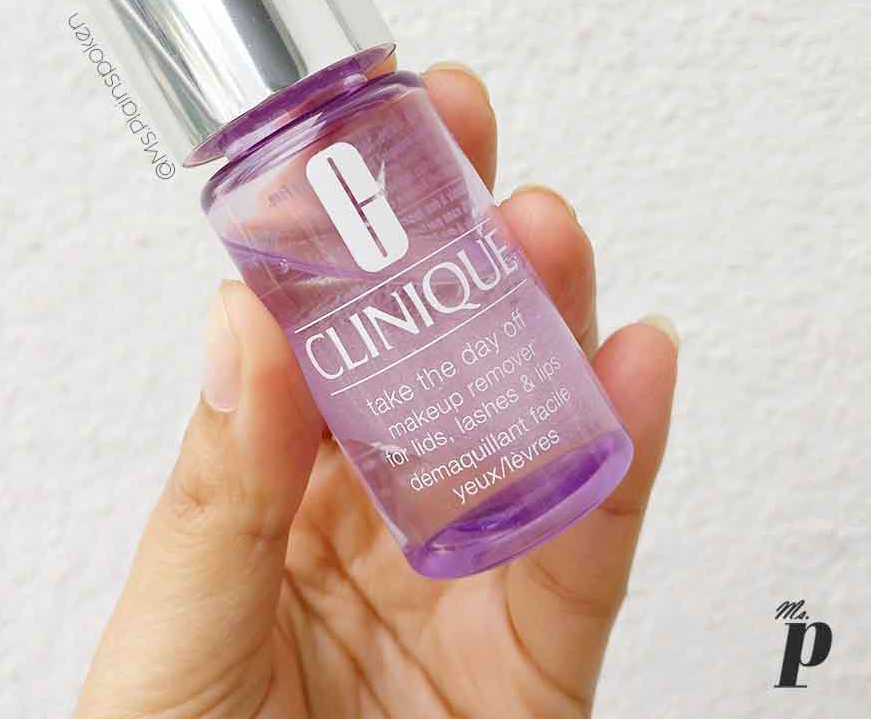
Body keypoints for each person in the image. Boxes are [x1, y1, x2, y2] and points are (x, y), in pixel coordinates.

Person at [74, 62, 680, 718]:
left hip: (557, 453)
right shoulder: (242, 191)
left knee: (498, 254)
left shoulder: (390, 107)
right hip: (434, 539)